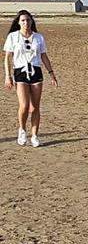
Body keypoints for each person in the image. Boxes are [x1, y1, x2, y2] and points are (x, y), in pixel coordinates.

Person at [4, 10, 58, 147]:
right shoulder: (13, 37)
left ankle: (34, 135)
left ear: (31, 21)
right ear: (18, 22)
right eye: (23, 20)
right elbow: (7, 58)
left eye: (28, 20)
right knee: (24, 105)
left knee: (35, 107)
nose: (26, 23)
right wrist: (7, 76)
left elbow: (43, 56)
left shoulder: (38, 37)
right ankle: (22, 129)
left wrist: (51, 73)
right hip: (20, 72)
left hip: (36, 71)